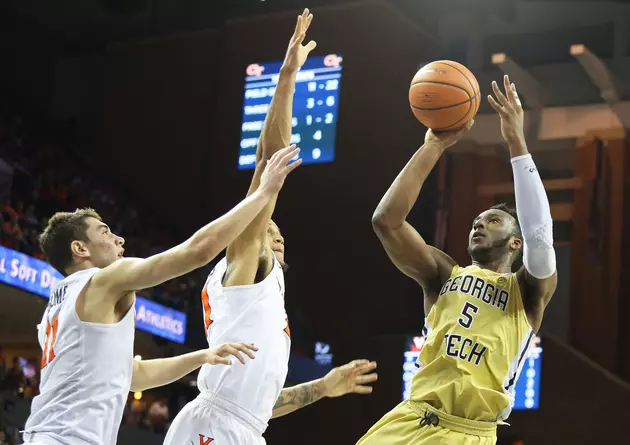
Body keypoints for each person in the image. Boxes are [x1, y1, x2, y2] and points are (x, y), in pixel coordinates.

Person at [164, 9, 378, 445]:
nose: (277, 235)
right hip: (212, 427)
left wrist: (321, 387)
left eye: (279, 234)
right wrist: (287, 79)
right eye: (268, 230)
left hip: (242, 429)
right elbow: (267, 160)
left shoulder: (262, 294)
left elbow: (256, 410)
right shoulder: (244, 265)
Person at [21, 145, 302, 445]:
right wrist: (263, 193)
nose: (118, 238)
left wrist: (203, 356)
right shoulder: (104, 281)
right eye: (104, 232)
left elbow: (135, 375)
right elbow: (197, 251)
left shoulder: (56, 308)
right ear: (80, 249)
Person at [357, 75, 557, 445]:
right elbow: (386, 221)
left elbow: (541, 235)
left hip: (468, 432)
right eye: (475, 222)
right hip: (409, 417)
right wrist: (432, 146)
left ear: (516, 242)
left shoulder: (527, 292)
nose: (479, 224)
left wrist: (516, 141)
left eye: (492, 221)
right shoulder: (443, 273)